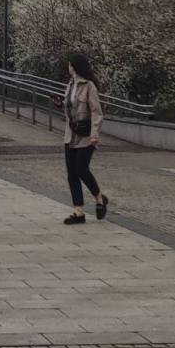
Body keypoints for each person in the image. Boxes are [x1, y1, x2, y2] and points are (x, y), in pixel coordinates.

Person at [59, 52, 108, 224]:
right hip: (71, 134)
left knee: (81, 169)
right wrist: (60, 104)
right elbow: (70, 108)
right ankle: (78, 211)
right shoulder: (70, 84)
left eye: (70, 64)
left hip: (86, 135)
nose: (68, 67)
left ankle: (99, 198)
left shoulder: (89, 86)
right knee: (72, 173)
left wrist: (95, 135)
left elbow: (96, 112)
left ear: (74, 66)